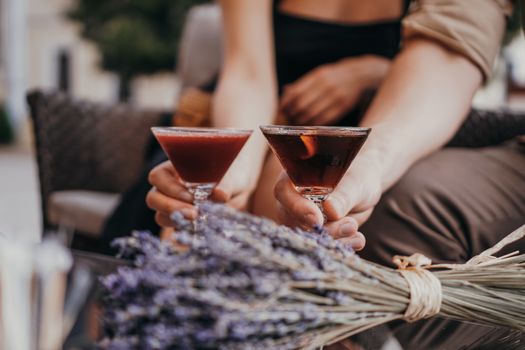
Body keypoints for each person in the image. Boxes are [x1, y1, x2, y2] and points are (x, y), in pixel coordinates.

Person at [145, 0, 525, 348]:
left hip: (367, 128)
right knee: (184, 246)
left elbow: (450, 48)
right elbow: (248, 73)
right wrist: (232, 174)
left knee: (282, 212)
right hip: (261, 119)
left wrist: (371, 73)